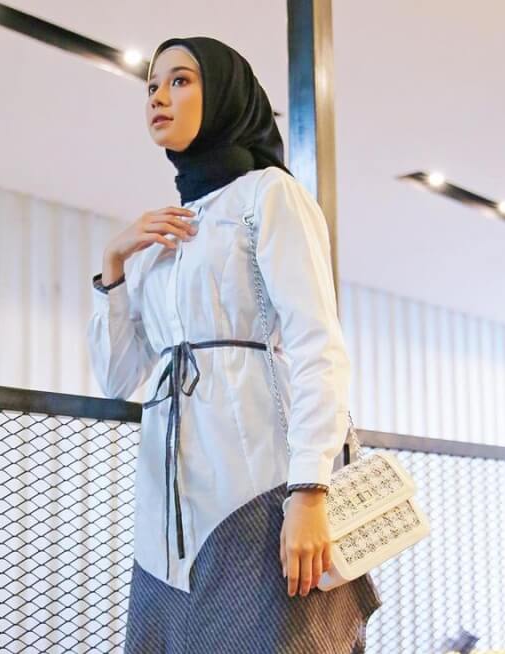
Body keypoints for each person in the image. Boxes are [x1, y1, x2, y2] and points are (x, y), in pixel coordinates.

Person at [87, 35, 382, 653]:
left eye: (180, 80)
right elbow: (118, 378)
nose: (158, 97)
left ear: (224, 94)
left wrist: (309, 490)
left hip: (256, 486)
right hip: (168, 511)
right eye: (151, 86)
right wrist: (114, 261)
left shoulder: (268, 194)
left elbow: (316, 345)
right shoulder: (161, 237)